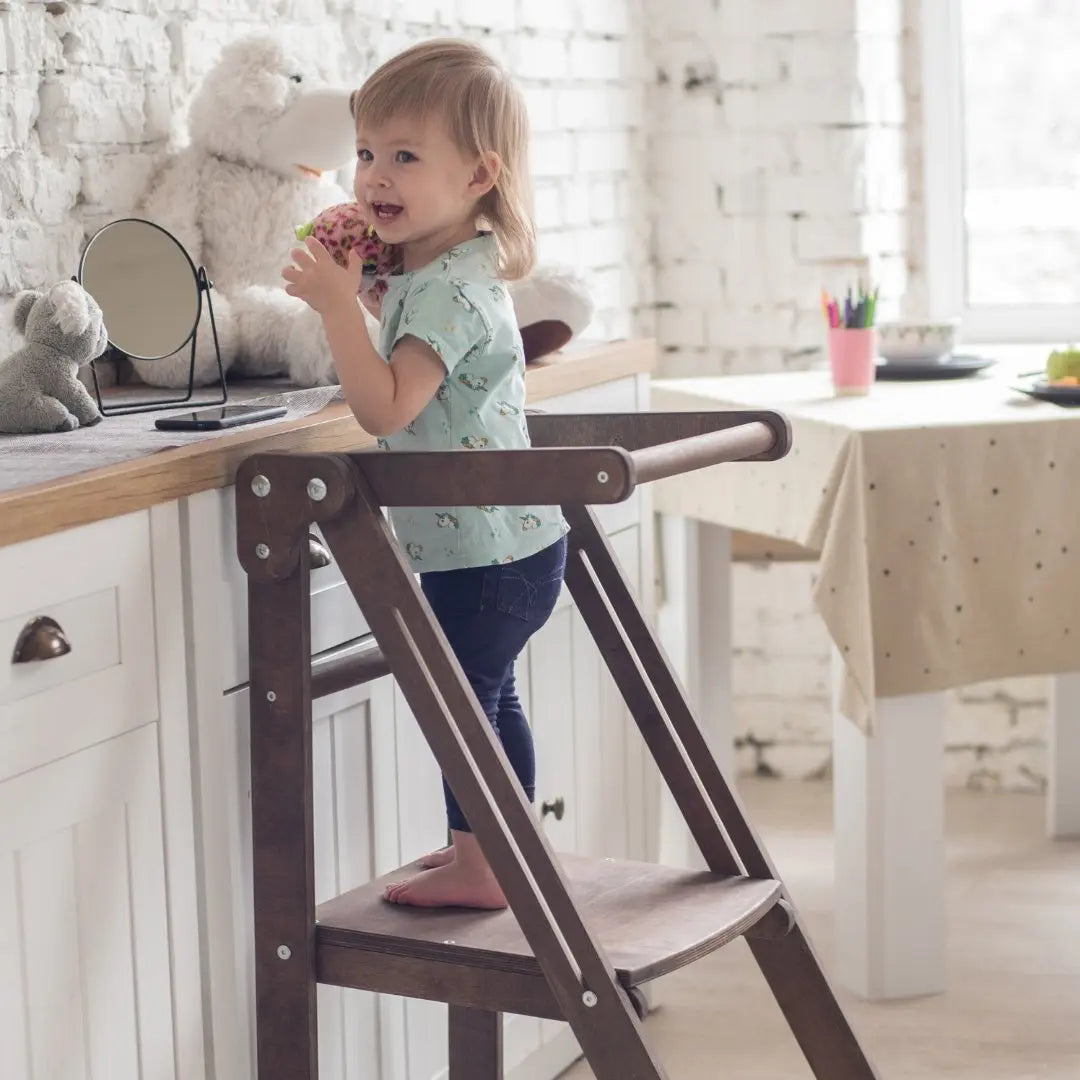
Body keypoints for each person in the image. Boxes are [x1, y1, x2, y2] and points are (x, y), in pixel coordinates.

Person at [283, 38, 568, 910]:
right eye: (367, 152)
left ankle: (489, 864)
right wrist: (370, 294)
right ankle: (491, 850)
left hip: (482, 557)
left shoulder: (446, 288)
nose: (374, 175)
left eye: (406, 155)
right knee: (483, 700)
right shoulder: (446, 269)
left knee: (462, 706)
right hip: (505, 546)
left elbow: (386, 408)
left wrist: (338, 308)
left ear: (480, 176)